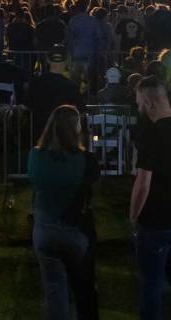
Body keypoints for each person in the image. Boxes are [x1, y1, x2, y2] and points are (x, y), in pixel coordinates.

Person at [130, 75, 171, 320]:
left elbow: (143, 183)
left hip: (154, 221)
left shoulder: (150, 135)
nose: (138, 108)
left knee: (151, 284)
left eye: (139, 103)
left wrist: (133, 215)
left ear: (149, 103)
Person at [28, 105, 100, 320]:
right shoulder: (87, 160)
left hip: (44, 230)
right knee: (84, 291)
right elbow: (92, 191)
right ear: (75, 128)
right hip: (75, 230)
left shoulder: (35, 156)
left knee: (54, 290)